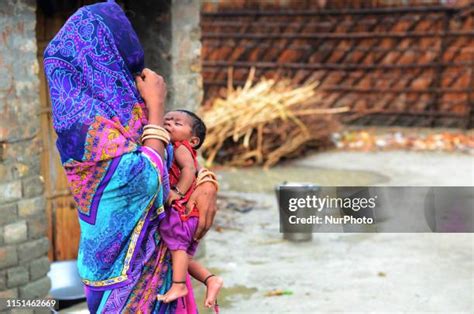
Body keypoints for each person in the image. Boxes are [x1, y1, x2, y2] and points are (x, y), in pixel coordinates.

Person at [43, 1, 218, 312]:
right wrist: (157, 106)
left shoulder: (125, 108)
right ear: (100, 57)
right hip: (121, 272)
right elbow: (144, 180)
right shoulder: (82, 125)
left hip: (154, 260)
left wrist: (206, 183)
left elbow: (173, 161)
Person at [156, 110, 223, 309]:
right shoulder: (177, 145)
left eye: (177, 123)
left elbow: (189, 170)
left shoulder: (180, 147)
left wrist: (177, 191)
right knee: (183, 256)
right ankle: (210, 279)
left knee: (177, 248)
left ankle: (178, 285)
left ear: (193, 141)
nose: (169, 124)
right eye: (166, 120)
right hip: (189, 216)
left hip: (182, 214)